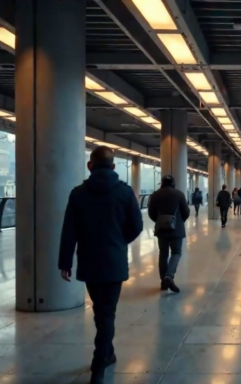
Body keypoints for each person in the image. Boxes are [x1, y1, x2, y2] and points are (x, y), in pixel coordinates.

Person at [58, 146, 144, 384]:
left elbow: (69, 231)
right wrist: (118, 241)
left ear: (90, 166)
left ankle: (107, 353)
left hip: (89, 262)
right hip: (114, 262)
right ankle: (100, 364)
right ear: (114, 167)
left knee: (101, 310)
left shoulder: (78, 194)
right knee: (106, 312)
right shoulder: (125, 193)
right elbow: (136, 226)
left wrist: (65, 262)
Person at [148, 175, 190, 293]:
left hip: (161, 229)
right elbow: (186, 212)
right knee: (176, 252)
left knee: (163, 254)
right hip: (176, 229)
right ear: (173, 183)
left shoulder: (155, 195)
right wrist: (178, 222)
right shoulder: (179, 194)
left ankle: (163, 283)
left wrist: (160, 220)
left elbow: (151, 213)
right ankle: (169, 276)